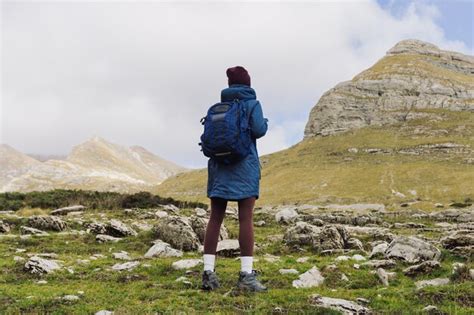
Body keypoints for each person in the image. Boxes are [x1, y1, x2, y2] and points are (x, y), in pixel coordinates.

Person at [201, 66, 268, 292]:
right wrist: (264, 121)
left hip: (219, 169)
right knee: (245, 219)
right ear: (248, 84)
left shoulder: (218, 107)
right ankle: (246, 276)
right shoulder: (252, 104)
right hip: (244, 168)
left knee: (215, 219)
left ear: (229, 86)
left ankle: (208, 273)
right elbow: (259, 130)